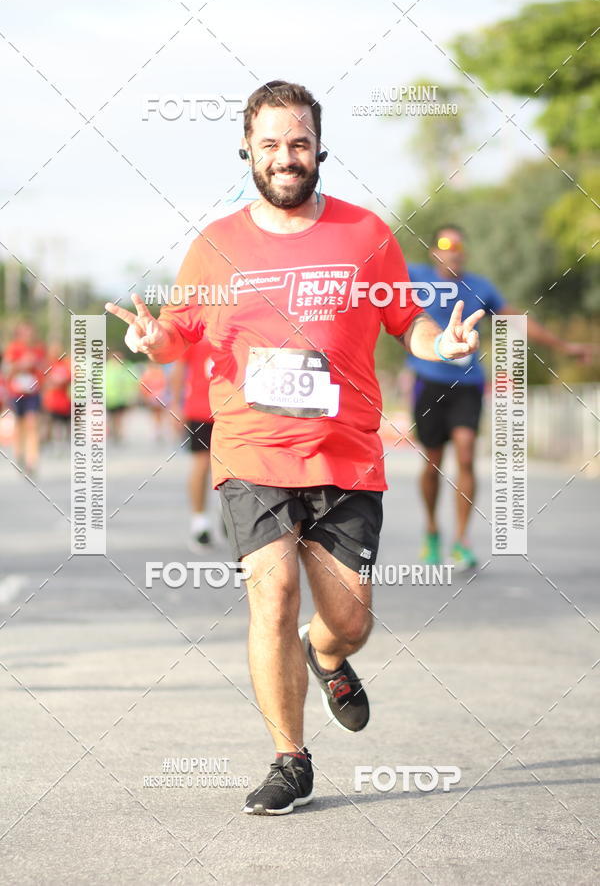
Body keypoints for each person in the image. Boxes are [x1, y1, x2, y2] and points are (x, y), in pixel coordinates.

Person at [106, 80, 484, 816]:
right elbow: (180, 331)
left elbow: (406, 322)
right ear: (248, 150)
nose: (286, 157)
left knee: (351, 622)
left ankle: (328, 653)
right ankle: (290, 759)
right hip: (251, 451)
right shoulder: (216, 245)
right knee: (272, 595)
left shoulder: (366, 234)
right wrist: (154, 340)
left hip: (346, 455)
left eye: (300, 143)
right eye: (272, 144)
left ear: (319, 149)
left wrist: (443, 344)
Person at [407, 224, 591, 570]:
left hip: (468, 383)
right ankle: (431, 530)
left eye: (460, 245)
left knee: (465, 454)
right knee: (433, 461)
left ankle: (461, 540)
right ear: (433, 251)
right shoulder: (415, 276)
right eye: (446, 244)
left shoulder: (480, 287)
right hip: (428, 382)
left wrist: (565, 346)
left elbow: (517, 319)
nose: (454, 250)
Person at [170, 341, 215, 549]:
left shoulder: (238, 327)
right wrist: (175, 405)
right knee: (202, 464)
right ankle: (200, 522)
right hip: (201, 410)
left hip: (233, 411)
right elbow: (179, 368)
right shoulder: (196, 331)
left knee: (233, 468)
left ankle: (226, 513)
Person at [3, 322, 46, 477]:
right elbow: (7, 370)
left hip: (32, 393)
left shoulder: (39, 348)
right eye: (25, 332)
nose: (28, 335)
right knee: (20, 425)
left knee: (32, 424)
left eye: (30, 332)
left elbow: (45, 368)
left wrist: (36, 364)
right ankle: (19, 454)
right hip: (16, 393)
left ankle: (32, 460)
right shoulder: (13, 348)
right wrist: (21, 364)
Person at [42, 343, 71, 446]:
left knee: (66, 422)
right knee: (50, 422)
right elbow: (44, 381)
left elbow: (70, 378)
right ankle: (49, 443)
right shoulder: (48, 364)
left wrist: (61, 381)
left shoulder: (66, 364)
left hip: (64, 400)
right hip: (51, 401)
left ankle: (66, 443)